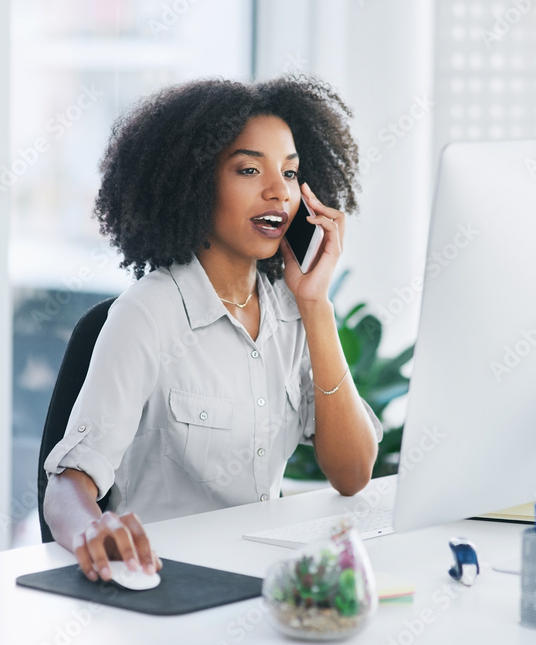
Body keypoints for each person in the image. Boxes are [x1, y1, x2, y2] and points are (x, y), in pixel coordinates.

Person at [43, 75, 383, 583]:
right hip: (169, 588)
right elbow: (69, 484)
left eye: (290, 174)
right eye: (249, 169)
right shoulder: (149, 314)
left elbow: (353, 474)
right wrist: (93, 530)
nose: (278, 192)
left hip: (261, 583)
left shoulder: (291, 311)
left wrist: (315, 307)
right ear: (196, 182)